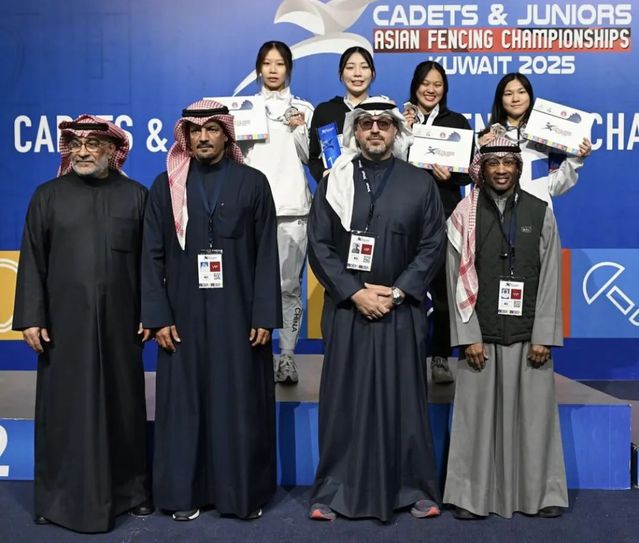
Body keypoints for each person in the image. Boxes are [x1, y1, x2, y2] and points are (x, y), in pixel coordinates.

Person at [142, 100, 281, 522]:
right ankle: (184, 494)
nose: (203, 138)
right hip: (182, 317)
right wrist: (158, 316)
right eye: (195, 131)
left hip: (238, 316)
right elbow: (151, 255)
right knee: (184, 406)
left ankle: (241, 496)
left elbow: (266, 254)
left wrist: (264, 315)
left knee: (238, 403)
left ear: (226, 134)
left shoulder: (253, 183)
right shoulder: (165, 186)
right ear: (186, 136)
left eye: (212, 130)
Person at [307, 97, 446, 522]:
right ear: (354, 130)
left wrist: (398, 293)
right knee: (343, 401)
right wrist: (354, 293)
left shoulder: (419, 183)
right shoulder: (335, 181)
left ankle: (414, 489)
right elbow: (319, 245)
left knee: (405, 401)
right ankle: (332, 491)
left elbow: (432, 245)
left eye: (383, 124)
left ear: (395, 131)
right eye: (365, 123)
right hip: (348, 309)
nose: (374, 130)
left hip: (401, 310)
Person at [12, 115, 152, 533]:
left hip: (121, 327)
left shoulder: (136, 196)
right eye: (76, 144)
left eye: (93, 144)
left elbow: (150, 263)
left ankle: (131, 493)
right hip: (63, 328)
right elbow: (33, 258)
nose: (84, 151)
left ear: (112, 150)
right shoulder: (47, 196)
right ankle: (55, 499)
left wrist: (151, 312)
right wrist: (32, 316)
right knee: (63, 410)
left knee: (123, 407)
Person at [443, 135, 567, 519]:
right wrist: (468, 337)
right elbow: (454, 280)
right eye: (493, 163)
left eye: (508, 163)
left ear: (518, 167)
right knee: (475, 423)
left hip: (529, 336)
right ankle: (469, 498)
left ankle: (542, 495)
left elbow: (551, 278)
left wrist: (544, 335)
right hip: (481, 335)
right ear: (482, 169)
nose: (501, 170)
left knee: (535, 422)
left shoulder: (539, 211)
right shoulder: (464, 214)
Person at [240, 40, 313, 385]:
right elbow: (235, 156)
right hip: (249, 211)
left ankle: (286, 357)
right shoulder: (243, 108)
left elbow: (310, 156)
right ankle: (253, 358)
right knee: (246, 286)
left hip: (292, 208)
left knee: (288, 288)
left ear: (288, 69)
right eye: (267, 63)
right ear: (258, 68)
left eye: (279, 63)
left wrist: (298, 127)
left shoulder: (304, 109)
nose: (273, 69)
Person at [403, 60, 474, 385]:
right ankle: (407, 356)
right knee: (407, 288)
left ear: (445, 90)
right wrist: (405, 131)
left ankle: (441, 357)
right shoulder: (400, 120)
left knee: (445, 291)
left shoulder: (456, 122)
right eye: (425, 83)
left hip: (445, 214)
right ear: (415, 85)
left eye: (438, 85)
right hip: (406, 216)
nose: (430, 90)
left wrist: (452, 174)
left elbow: (470, 171)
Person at [478, 72, 592, 207]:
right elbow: (479, 183)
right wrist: (479, 153)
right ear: (500, 99)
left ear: (529, 96)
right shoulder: (487, 139)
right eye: (508, 94)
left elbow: (556, 187)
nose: (515, 99)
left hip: (539, 214)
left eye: (521, 92)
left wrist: (575, 159)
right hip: (499, 214)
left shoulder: (548, 137)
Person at [308, 46, 377, 182]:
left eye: (364, 67)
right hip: (336, 188)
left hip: (376, 188)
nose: (357, 73)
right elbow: (314, 158)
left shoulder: (382, 110)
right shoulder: (325, 111)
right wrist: (324, 175)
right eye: (350, 67)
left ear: (373, 73)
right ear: (341, 73)